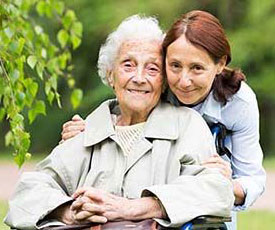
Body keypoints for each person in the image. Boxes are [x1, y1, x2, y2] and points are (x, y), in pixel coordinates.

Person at [5, 15, 234, 230]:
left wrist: (133, 208)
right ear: (110, 75)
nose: (139, 77)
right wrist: (67, 212)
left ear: (164, 81)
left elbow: (215, 190)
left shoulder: (187, 126)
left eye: (152, 68)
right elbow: (28, 193)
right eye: (128, 65)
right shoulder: (87, 132)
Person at [61, 10, 266, 230]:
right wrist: (90, 129)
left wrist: (223, 184)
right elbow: (129, 99)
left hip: (205, 202)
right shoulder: (156, 84)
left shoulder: (239, 103)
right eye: (175, 65)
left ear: (220, 64)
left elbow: (252, 179)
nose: (183, 81)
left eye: (197, 68)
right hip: (154, 198)